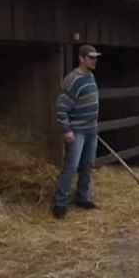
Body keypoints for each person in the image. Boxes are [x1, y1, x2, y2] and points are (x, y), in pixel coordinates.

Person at [52, 44, 102, 219]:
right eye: (91, 57)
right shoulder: (72, 79)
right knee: (71, 166)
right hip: (77, 130)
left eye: (95, 58)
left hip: (91, 128)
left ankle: (82, 196)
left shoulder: (91, 76)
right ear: (81, 58)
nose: (94, 61)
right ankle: (60, 202)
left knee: (87, 164)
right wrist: (66, 129)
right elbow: (61, 106)